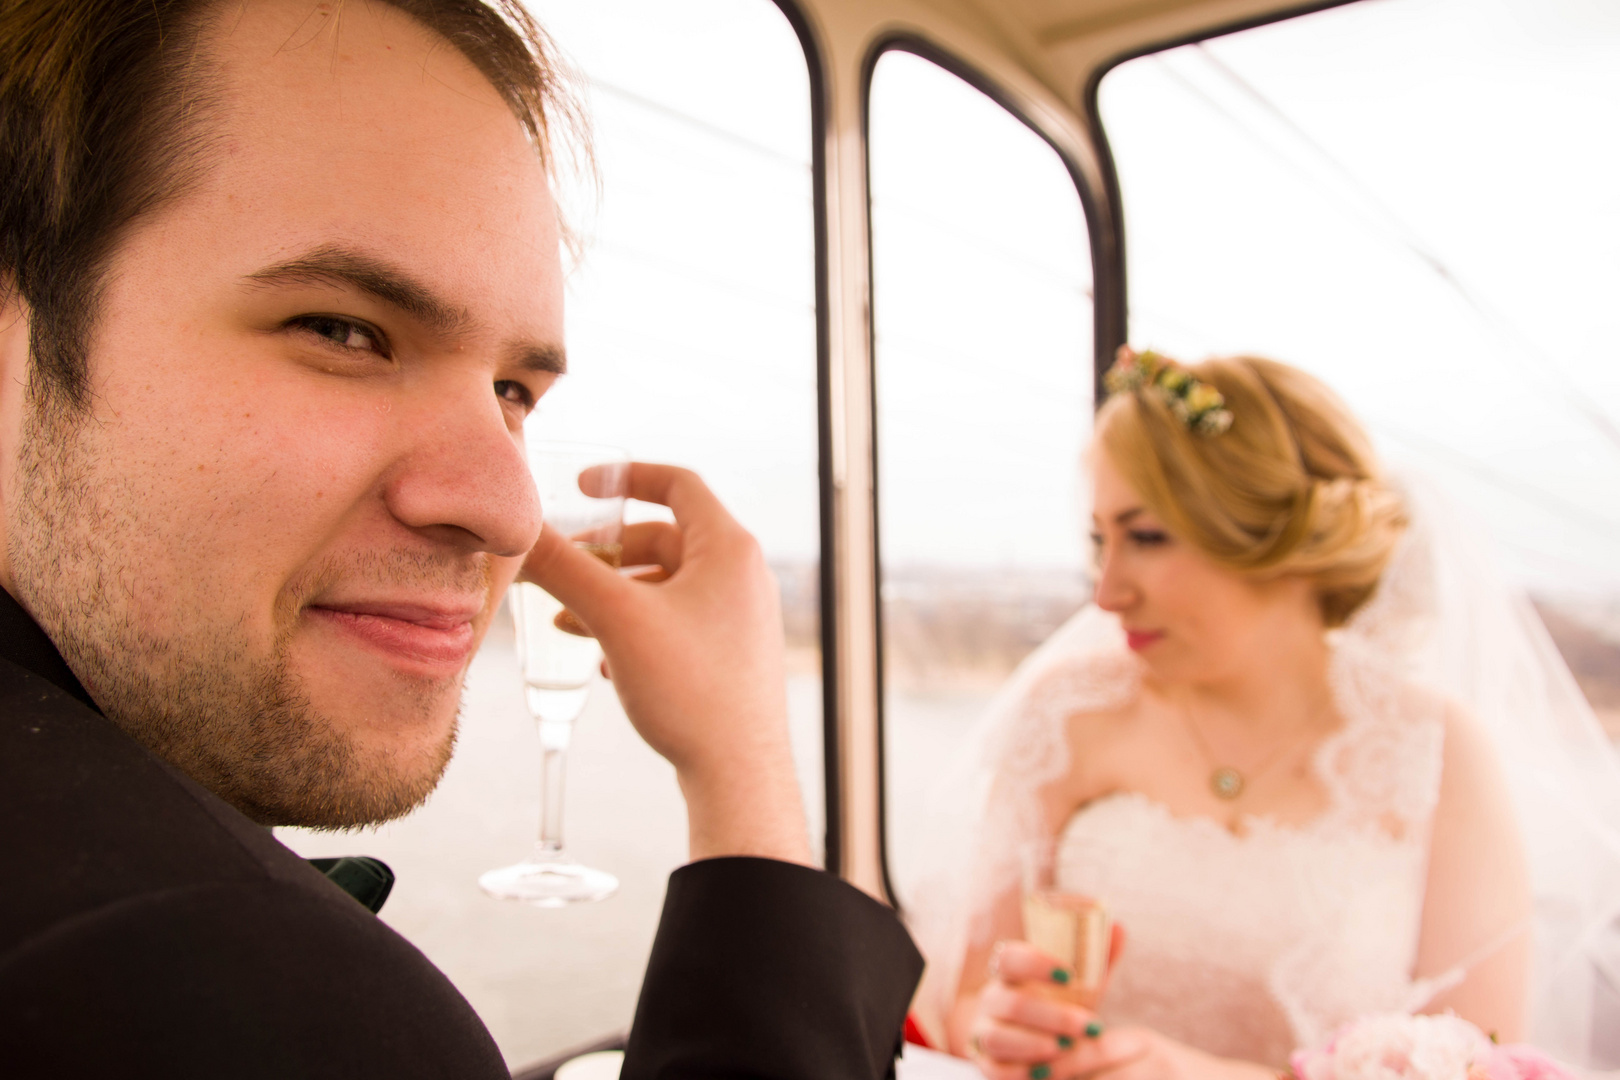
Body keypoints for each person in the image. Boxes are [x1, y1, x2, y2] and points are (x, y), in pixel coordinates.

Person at [0, 1, 922, 1076]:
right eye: (343, 331)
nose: (511, 511)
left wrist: (733, 751)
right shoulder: (213, 975)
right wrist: (750, 766)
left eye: (512, 389)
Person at [908, 348, 1620, 1077]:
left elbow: (1481, 1063)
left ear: (1277, 541)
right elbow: (968, 1004)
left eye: (1146, 536)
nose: (1107, 591)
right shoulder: (1063, 714)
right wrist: (999, 1026)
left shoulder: (1438, 751)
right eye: (1101, 541)